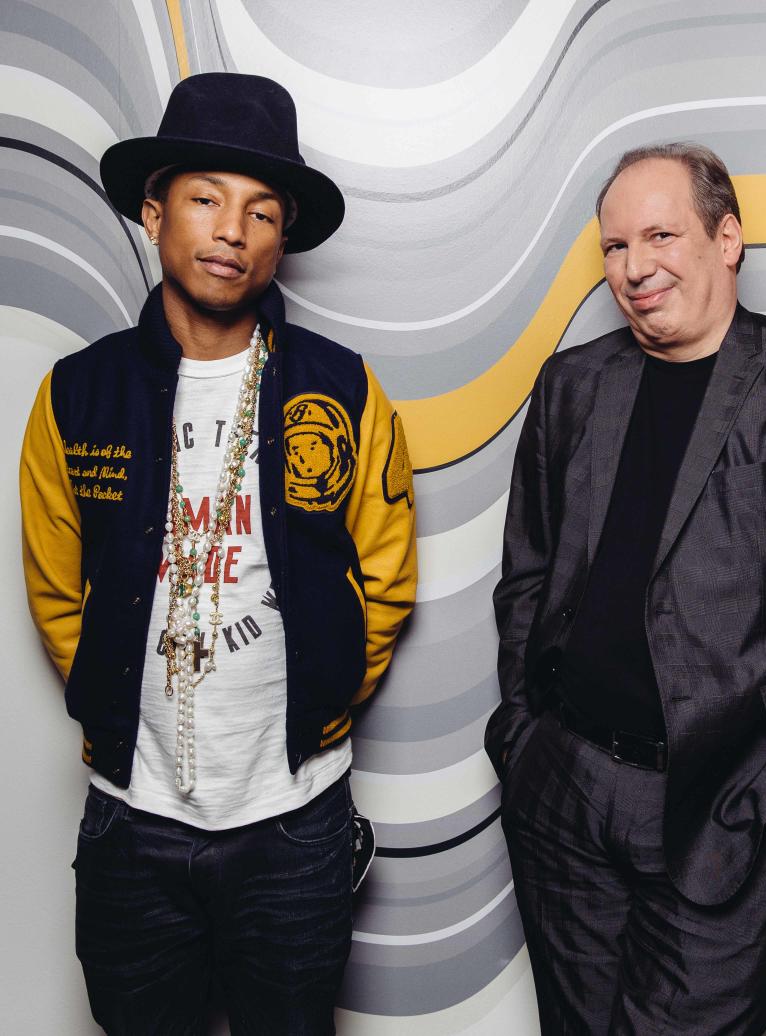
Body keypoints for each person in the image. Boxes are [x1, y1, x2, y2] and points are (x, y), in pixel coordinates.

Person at [20, 72, 416, 1035]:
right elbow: (55, 590)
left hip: (297, 819)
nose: (231, 229)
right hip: (132, 817)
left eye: (261, 211)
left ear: (282, 239)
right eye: (204, 199)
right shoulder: (76, 394)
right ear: (155, 214)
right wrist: (117, 699)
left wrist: (326, 688)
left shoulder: (344, 388)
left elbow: (388, 574)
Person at [486, 142, 766, 1035]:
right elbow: (527, 574)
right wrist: (522, 742)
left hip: (727, 816)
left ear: (728, 238)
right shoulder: (572, 386)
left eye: (661, 235)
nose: (635, 269)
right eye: (615, 247)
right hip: (564, 793)